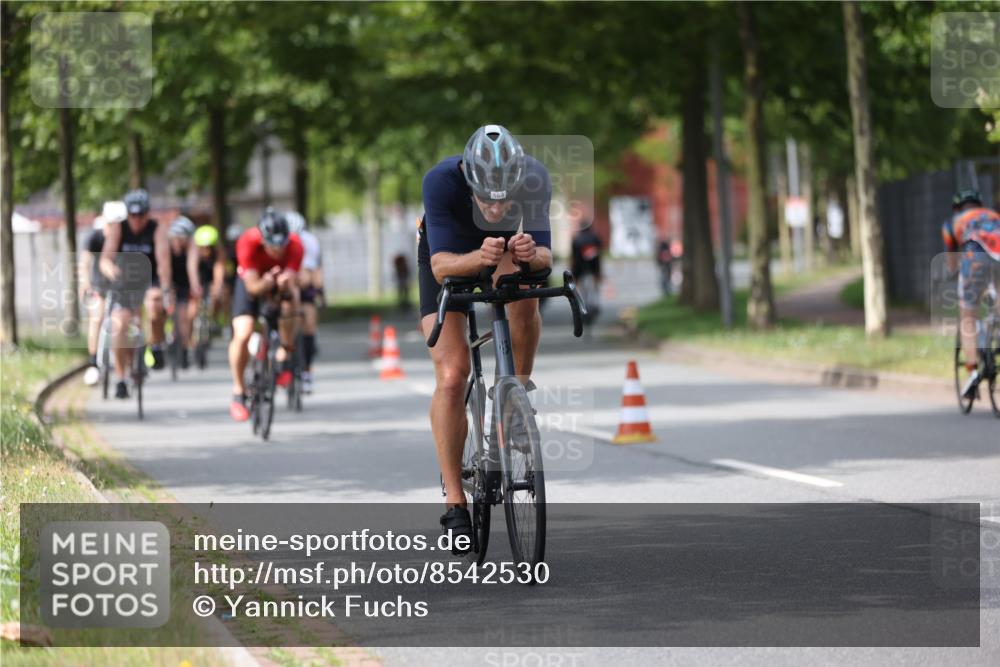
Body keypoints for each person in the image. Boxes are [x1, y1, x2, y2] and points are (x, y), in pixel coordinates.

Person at [419, 124, 552, 546]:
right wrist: (478, 256)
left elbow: (547, 256)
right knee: (454, 375)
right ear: (468, 178)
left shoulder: (535, 176)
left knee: (527, 293)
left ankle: (516, 391)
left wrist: (532, 255)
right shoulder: (441, 182)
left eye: (505, 200)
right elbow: (440, 267)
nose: (496, 209)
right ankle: (455, 503)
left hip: (505, 253)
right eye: (486, 200)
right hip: (451, 254)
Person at [227, 208, 304, 421]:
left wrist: (283, 284)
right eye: (272, 245)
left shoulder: (296, 246)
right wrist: (268, 282)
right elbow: (252, 287)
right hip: (252, 282)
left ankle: (284, 352)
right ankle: (238, 391)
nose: (278, 250)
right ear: (263, 239)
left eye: (282, 244)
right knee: (244, 331)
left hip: (277, 283)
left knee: (292, 304)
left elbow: (292, 284)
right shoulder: (247, 242)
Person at [99, 188, 171, 399]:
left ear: (148, 213)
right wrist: (112, 271)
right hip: (125, 281)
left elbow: (164, 261)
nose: (137, 220)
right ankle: (121, 378)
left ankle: (155, 344)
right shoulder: (119, 229)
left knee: (154, 303)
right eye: (133, 215)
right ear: (127, 214)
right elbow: (105, 259)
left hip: (149, 279)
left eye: (141, 215)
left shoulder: (156, 230)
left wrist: (165, 287)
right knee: (120, 325)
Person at [941, 189, 1000, 398]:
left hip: (975, 254)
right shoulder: (993, 215)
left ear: (957, 208)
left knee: (968, 313)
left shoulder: (952, 222)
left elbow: (952, 262)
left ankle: (973, 370)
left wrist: (954, 273)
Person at [80, 201, 127, 386]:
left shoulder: (127, 239)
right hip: (99, 286)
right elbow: (84, 262)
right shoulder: (95, 237)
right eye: (111, 224)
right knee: (97, 318)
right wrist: (85, 282)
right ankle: (93, 363)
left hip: (123, 287)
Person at [285, 211, 323, 394]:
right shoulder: (279, 240)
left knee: (309, 322)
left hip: (303, 278)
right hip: (285, 279)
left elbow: (311, 272)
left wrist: (320, 292)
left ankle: (307, 369)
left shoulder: (309, 241)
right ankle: (282, 356)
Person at [167, 216, 197, 369]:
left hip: (185, 283)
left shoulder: (191, 248)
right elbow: (163, 270)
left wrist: (195, 286)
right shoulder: (166, 248)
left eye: (182, 239)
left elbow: (192, 269)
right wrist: (167, 288)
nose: (178, 242)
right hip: (169, 281)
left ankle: (184, 349)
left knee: (184, 316)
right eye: (176, 238)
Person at [189, 224, 227, 329]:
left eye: (209, 247)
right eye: (203, 247)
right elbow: (192, 268)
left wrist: (217, 286)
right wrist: (195, 285)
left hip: (211, 276)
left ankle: (215, 319)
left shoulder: (219, 251)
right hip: (200, 276)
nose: (206, 250)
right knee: (192, 306)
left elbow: (219, 268)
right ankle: (191, 335)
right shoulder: (194, 251)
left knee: (220, 293)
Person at [570, 218, 603, 320]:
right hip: (593, 267)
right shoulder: (595, 238)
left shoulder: (576, 239)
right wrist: (599, 271)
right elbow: (599, 255)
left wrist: (573, 271)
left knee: (582, 289)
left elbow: (573, 257)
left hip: (579, 268)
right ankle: (595, 305)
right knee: (594, 288)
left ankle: (583, 306)